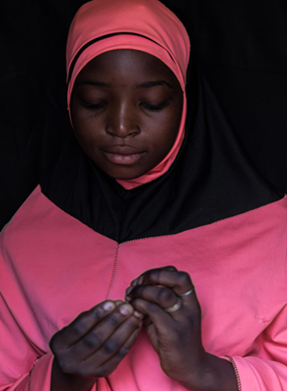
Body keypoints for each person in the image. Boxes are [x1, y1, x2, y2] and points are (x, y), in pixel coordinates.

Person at [1, 0, 287, 390]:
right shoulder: (25, 237)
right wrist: (63, 378)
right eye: (94, 102)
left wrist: (204, 370)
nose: (121, 126)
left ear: (187, 100)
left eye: (152, 103)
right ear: (68, 99)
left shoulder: (273, 235)